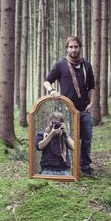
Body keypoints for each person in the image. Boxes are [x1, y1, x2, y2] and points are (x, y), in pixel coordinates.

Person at [43, 36, 97, 177]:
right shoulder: (60, 65)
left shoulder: (87, 65)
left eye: (76, 47)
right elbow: (47, 81)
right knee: (68, 138)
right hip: (66, 110)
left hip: (84, 109)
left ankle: (85, 166)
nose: (74, 49)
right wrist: (52, 91)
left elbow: (92, 87)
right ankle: (69, 165)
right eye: (71, 47)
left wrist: (91, 103)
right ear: (67, 49)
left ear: (80, 48)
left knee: (86, 138)